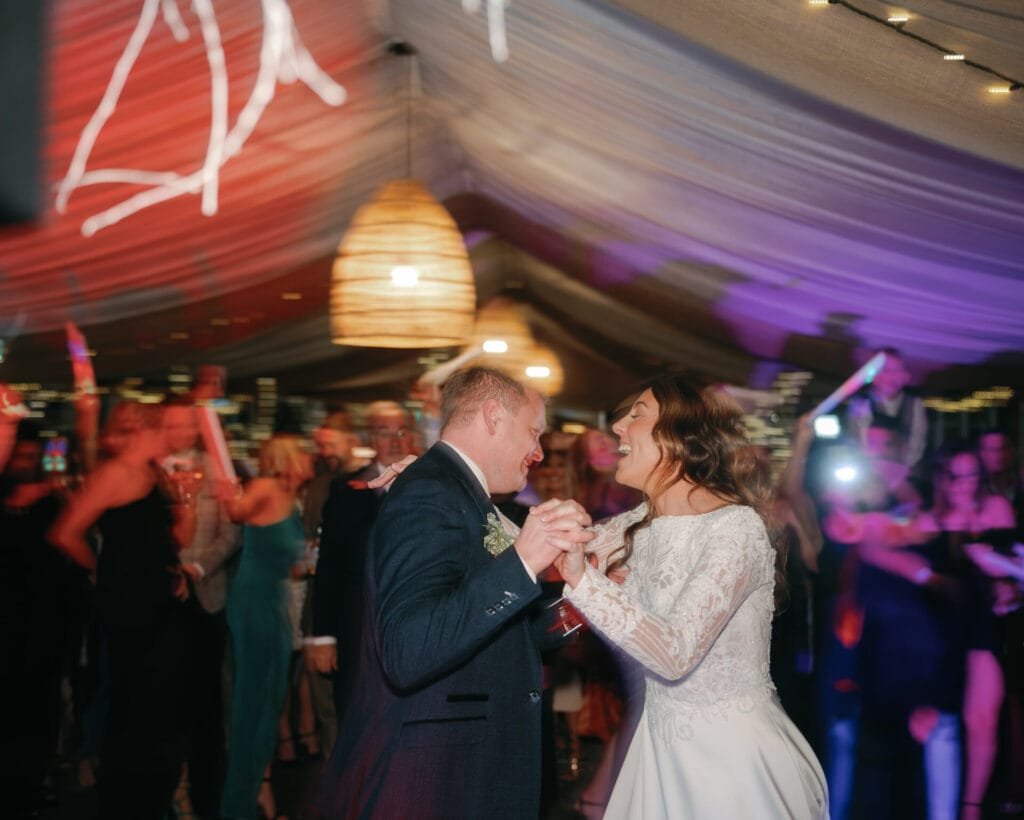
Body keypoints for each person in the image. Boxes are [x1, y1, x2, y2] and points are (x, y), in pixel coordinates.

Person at [317, 366, 594, 819]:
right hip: (439, 776)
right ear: (492, 416)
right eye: (534, 432)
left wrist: (589, 601)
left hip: (469, 766)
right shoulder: (429, 492)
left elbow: (504, 628)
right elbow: (409, 648)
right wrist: (522, 561)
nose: (539, 452)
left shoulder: (463, 493)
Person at [556, 374, 828, 818]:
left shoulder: (735, 528)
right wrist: (453, 496)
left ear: (680, 438)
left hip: (729, 766)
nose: (619, 427)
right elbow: (539, 548)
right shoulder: (641, 523)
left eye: (637, 416)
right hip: (657, 754)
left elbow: (674, 653)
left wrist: (584, 582)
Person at [50, 400, 195, 819]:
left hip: (158, 601)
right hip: (131, 605)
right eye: (162, 430)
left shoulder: (153, 473)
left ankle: (149, 795)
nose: (168, 437)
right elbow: (66, 533)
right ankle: (127, 800)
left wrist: (174, 571)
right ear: (143, 432)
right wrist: (103, 572)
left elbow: (166, 541)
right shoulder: (114, 473)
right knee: (135, 701)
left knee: (158, 703)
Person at [307, 401, 419, 729]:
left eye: (402, 431)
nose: (395, 441)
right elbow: (329, 565)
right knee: (357, 717)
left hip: (413, 621)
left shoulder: (433, 486)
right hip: (356, 621)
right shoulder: (345, 490)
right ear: (371, 438)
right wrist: (323, 635)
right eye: (385, 433)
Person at [218, 434, 310, 820]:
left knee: (270, 697)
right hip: (254, 600)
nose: (310, 459)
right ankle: (237, 804)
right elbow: (236, 513)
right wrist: (224, 491)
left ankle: (259, 795)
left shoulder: (291, 497)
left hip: (274, 600)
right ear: (287, 457)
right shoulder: (266, 487)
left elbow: (292, 562)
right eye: (303, 452)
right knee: (253, 700)